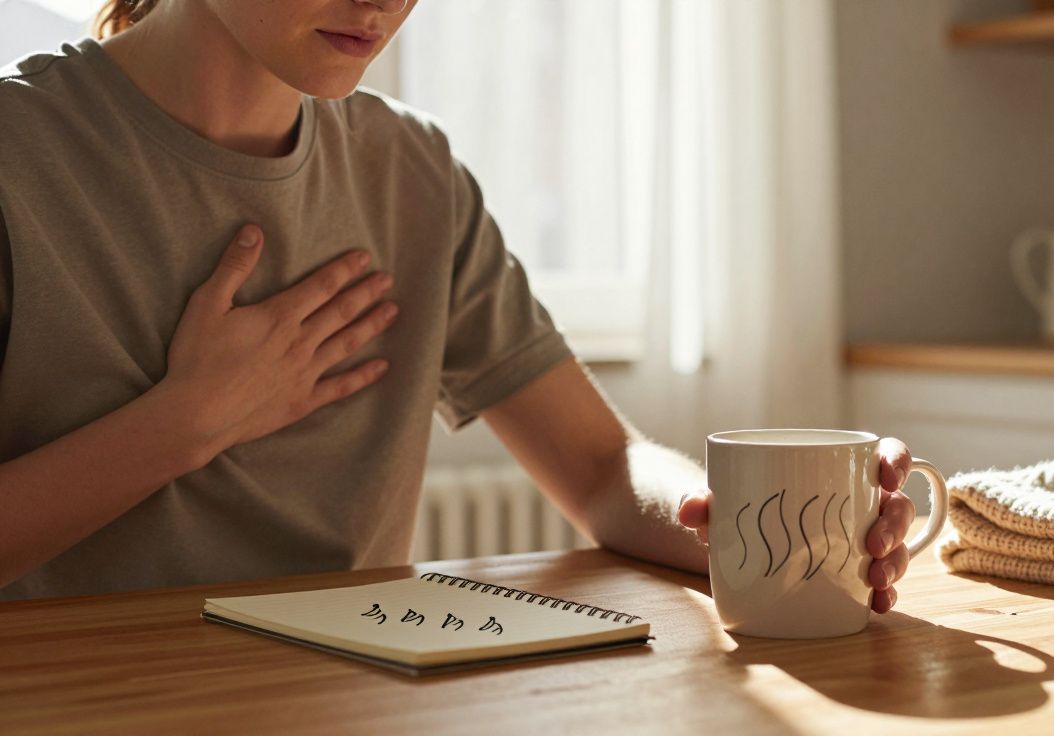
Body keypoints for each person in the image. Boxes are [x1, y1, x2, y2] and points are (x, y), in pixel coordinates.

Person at [0, 0, 918, 614]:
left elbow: (599, 468)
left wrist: (727, 525)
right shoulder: (18, 153)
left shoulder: (413, 173)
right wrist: (185, 424)